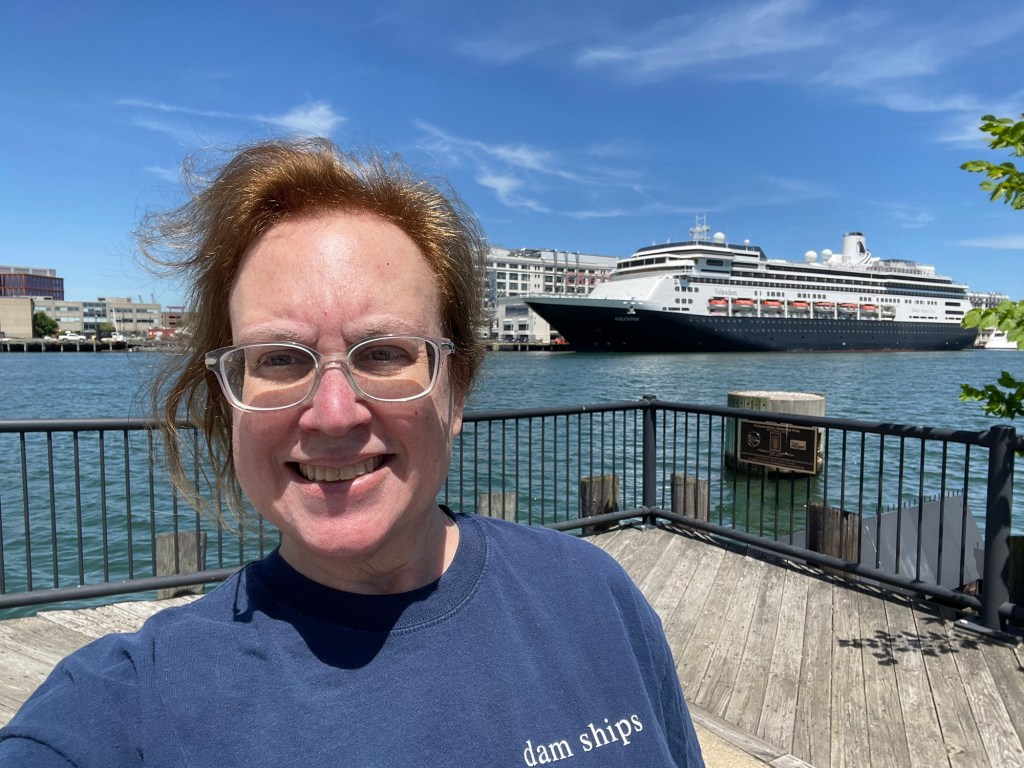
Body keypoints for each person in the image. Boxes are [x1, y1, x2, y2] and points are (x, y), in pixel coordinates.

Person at [0, 138, 705, 766]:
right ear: (228, 400)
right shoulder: (129, 709)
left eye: (386, 352)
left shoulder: (595, 593)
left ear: (455, 391)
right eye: (279, 358)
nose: (333, 414)